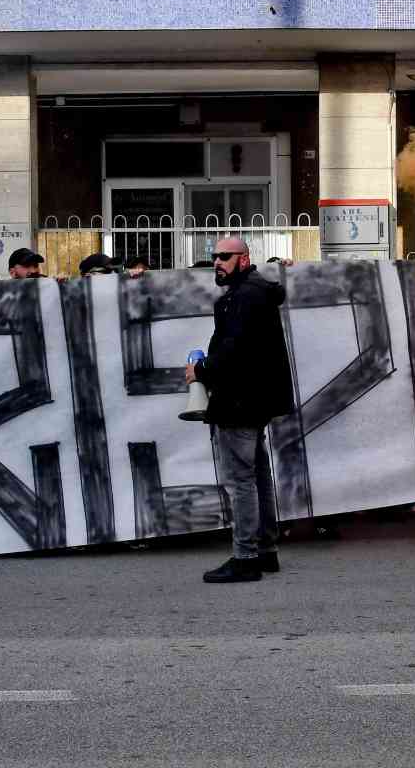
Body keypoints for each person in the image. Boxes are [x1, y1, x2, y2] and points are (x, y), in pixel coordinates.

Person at [186, 238, 294, 583]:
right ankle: (265, 550)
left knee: (242, 480)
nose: (217, 261)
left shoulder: (244, 296)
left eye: (225, 256)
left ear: (244, 258)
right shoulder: (254, 291)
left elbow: (235, 349)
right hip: (255, 398)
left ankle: (246, 556)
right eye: (214, 256)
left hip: (239, 399)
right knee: (258, 474)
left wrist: (200, 372)